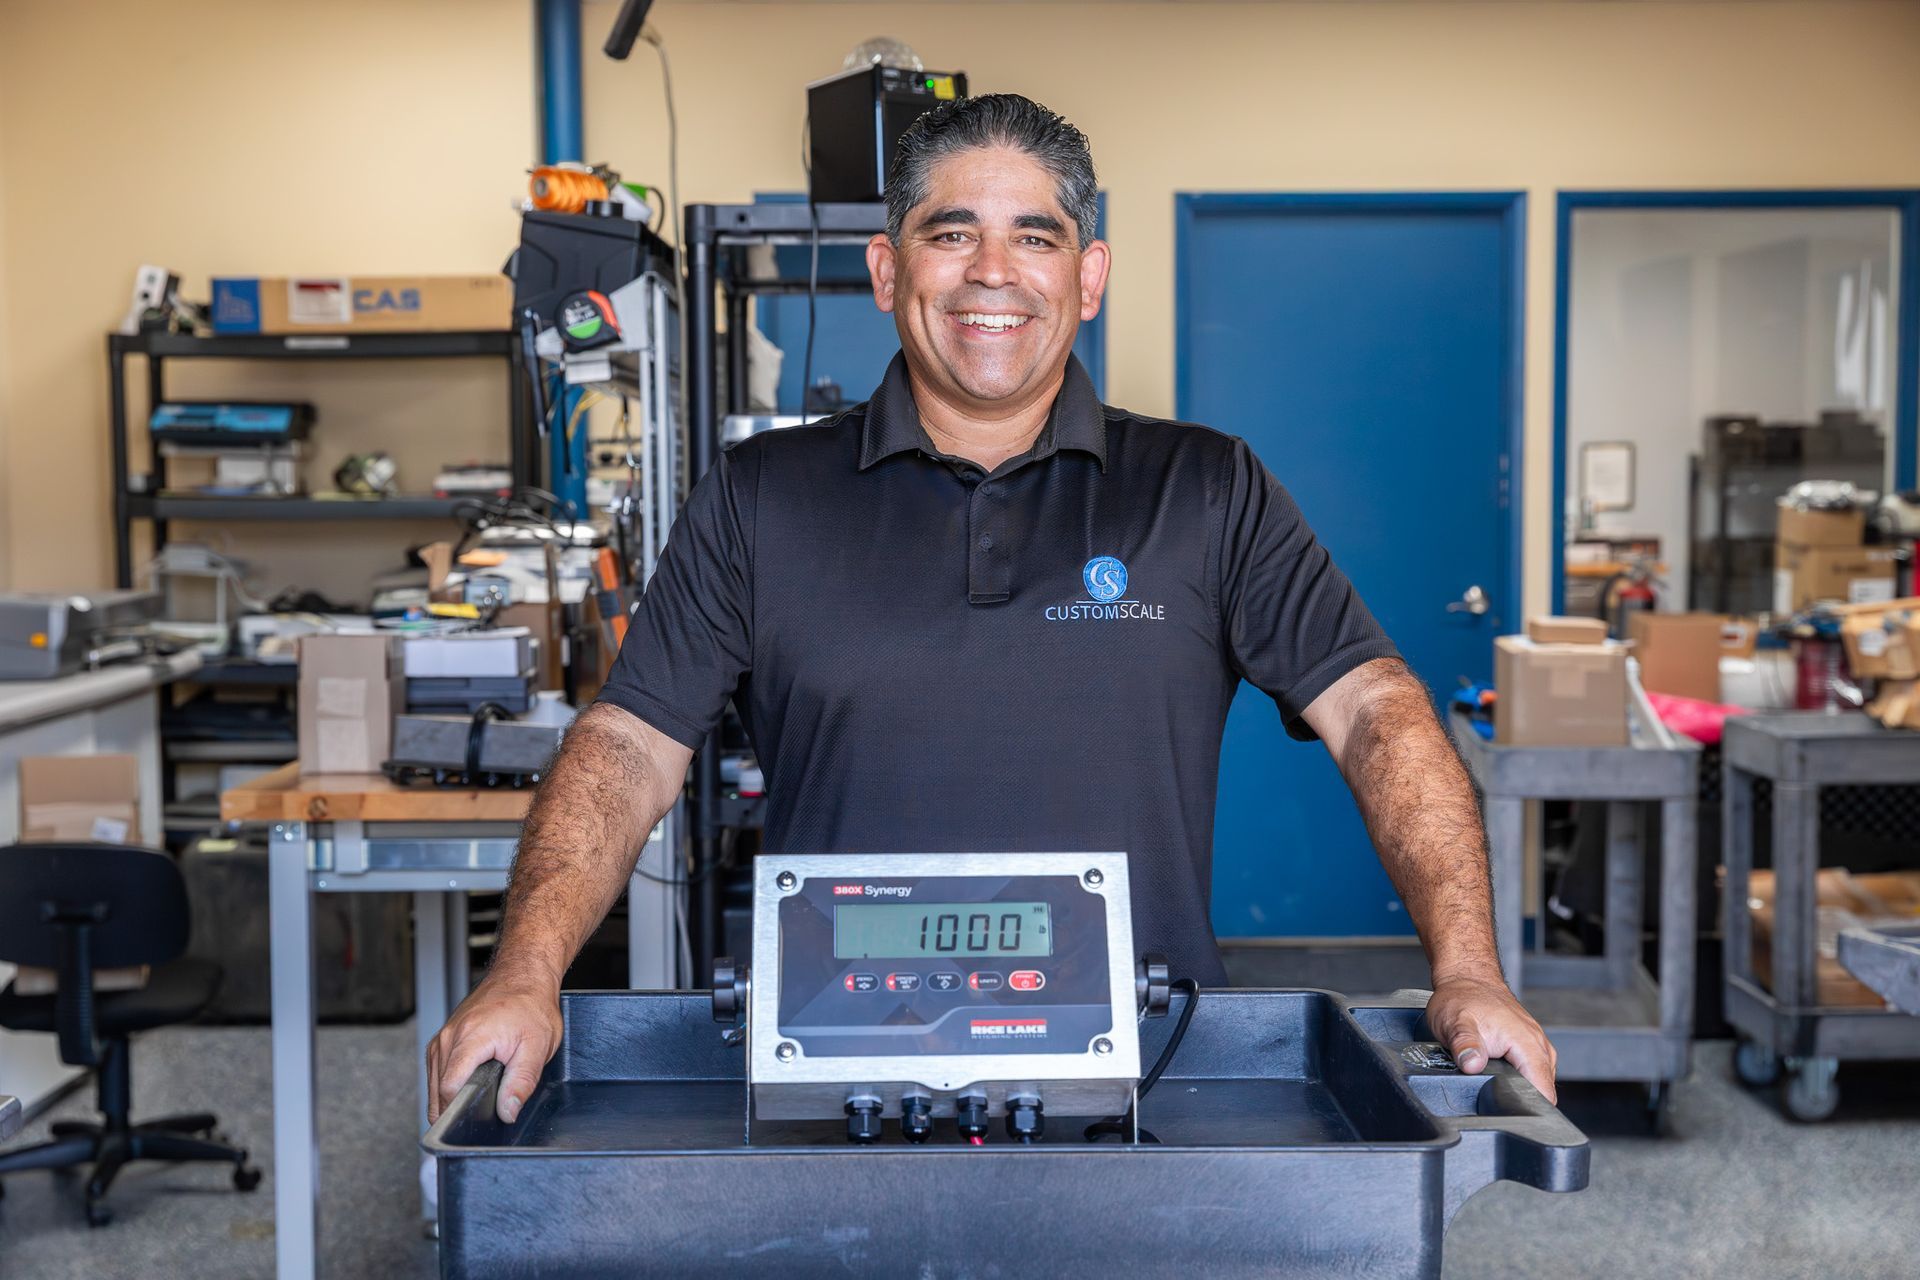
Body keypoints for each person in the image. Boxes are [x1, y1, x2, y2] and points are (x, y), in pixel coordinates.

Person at [428, 94, 1556, 1124]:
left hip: (1151, 1078)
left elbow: (1377, 710)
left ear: (1089, 273)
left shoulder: (1205, 489)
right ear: (886, 268)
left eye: (1037, 235)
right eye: (952, 231)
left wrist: (1468, 967)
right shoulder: (761, 499)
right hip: (837, 1079)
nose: (992, 273)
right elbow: (630, 742)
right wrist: (525, 970)